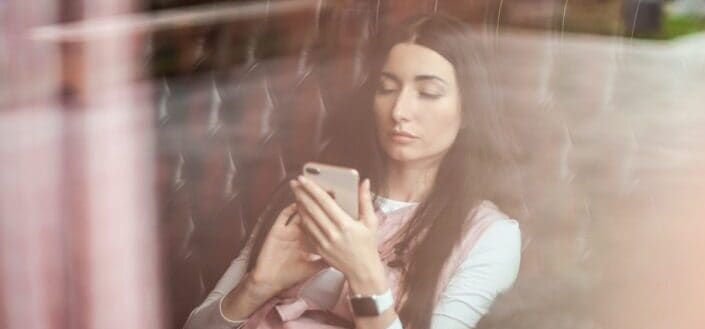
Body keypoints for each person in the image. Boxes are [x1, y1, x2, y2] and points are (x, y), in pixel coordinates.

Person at [183, 15, 521, 329]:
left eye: (428, 92)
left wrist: (365, 275)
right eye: (387, 88)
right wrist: (257, 285)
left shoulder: (490, 237)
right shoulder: (315, 193)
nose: (400, 110)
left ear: (469, 108)